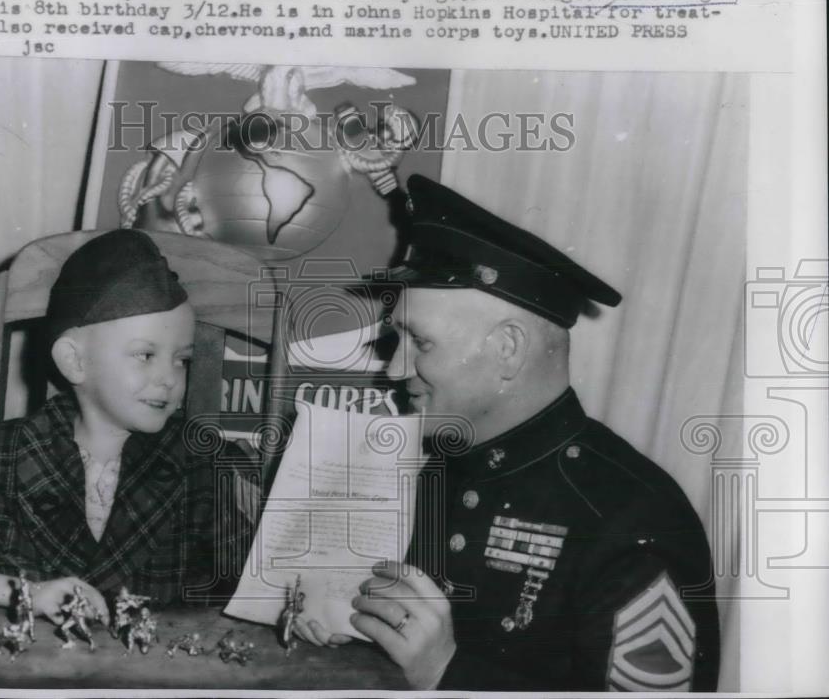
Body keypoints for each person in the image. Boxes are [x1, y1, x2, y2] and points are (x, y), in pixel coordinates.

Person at [295, 175, 720, 691]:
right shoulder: (443, 466)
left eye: (420, 342)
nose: (393, 369)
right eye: (396, 336)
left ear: (508, 350)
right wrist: (358, 630)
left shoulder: (630, 518)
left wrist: (446, 672)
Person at [0, 230, 251, 626]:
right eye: (146, 355)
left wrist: (304, 596)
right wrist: (26, 593)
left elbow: (258, 571)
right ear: (73, 361)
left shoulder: (205, 462)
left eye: (181, 359)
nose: (168, 377)